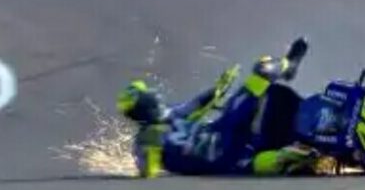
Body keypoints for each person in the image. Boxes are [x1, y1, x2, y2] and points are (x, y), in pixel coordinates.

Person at [117, 37, 327, 178]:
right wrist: (149, 148)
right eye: (145, 97)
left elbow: (196, 106)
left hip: (225, 129)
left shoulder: (169, 116)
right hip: (224, 161)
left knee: (263, 69)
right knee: (266, 162)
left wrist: (219, 88)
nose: (153, 96)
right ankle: (304, 158)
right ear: (141, 109)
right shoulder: (146, 141)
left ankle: (288, 65)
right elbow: (148, 171)